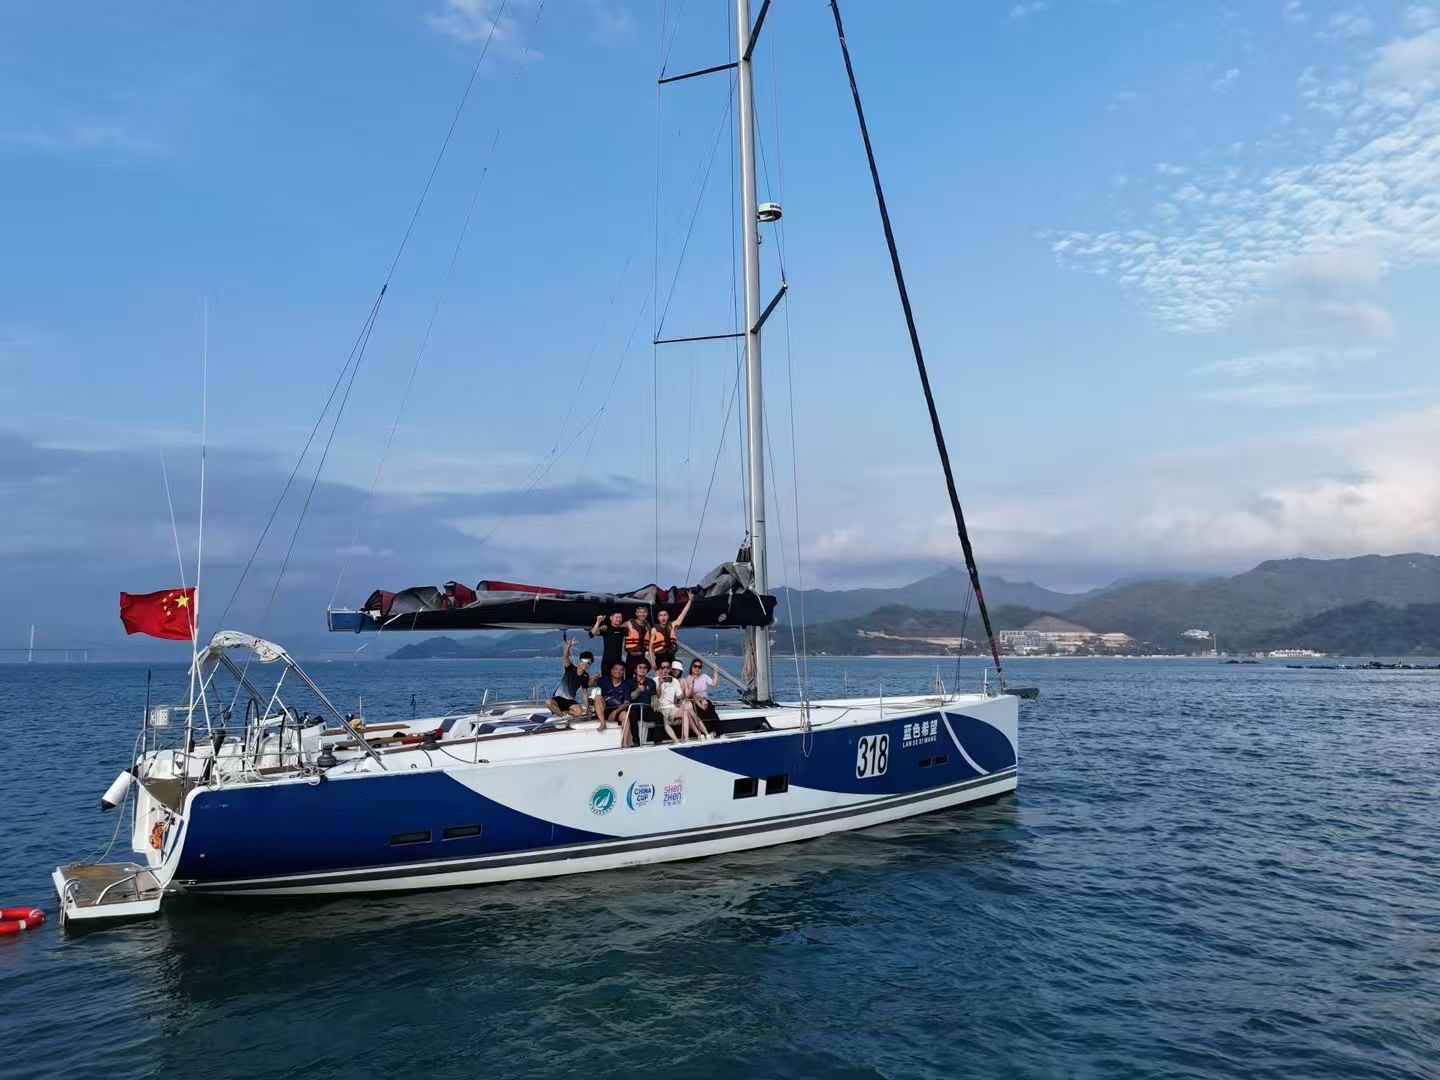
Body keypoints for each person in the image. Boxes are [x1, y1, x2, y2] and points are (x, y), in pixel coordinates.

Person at [657, 660, 707, 741]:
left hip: (682, 702)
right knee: (688, 712)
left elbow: (686, 695)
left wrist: (690, 687)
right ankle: (698, 734)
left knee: (691, 712)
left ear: (680, 671)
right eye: (674, 669)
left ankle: (705, 733)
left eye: (677, 670)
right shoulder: (667, 679)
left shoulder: (682, 680)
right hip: (674, 704)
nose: (675, 671)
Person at [546, 637, 594, 718]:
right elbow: (565, 657)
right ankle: (562, 716)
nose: (585, 664)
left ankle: (565, 712)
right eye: (583, 661)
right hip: (558, 697)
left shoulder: (586, 676)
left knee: (579, 711)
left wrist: (588, 708)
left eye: (588, 663)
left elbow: (584, 692)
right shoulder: (570, 668)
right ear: (579, 660)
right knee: (548, 702)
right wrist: (568, 646)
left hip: (570, 700)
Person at [616, 659, 657, 748]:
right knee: (632, 715)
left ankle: (658, 741)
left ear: (647, 670)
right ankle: (636, 741)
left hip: (646, 709)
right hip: (634, 708)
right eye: (640, 667)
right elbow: (629, 698)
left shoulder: (651, 682)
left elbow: (654, 695)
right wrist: (638, 690)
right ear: (635, 670)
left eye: (644, 668)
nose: (642, 669)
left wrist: (655, 705)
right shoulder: (629, 682)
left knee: (659, 716)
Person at [652, 592, 694, 670]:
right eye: (661, 615)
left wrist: (690, 601)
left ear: (668, 617)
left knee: (671, 675)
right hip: (659, 658)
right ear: (658, 618)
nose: (663, 617)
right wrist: (652, 662)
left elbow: (683, 614)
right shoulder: (654, 630)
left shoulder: (673, 626)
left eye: (665, 615)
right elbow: (650, 647)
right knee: (660, 675)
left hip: (671, 657)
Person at [622, 605, 663, 675]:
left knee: (642, 674)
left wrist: (652, 660)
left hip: (642, 656)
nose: (642, 614)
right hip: (631, 655)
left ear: (647, 614)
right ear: (636, 613)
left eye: (644, 612)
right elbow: (617, 627)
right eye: (640, 612)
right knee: (629, 676)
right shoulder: (629, 623)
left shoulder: (647, 625)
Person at [594, 660, 629, 734]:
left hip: (617, 710)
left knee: (625, 715)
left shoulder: (626, 685)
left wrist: (615, 712)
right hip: (604, 710)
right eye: (616, 669)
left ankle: (625, 740)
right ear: (612, 671)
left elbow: (626, 703)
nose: (618, 671)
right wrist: (594, 678)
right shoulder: (604, 680)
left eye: (621, 670)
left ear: (623, 672)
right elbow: (589, 684)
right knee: (597, 697)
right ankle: (603, 724)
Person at [682, 657, 721, 722]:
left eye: (699, 667)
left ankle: (717, 727)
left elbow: (713, 684)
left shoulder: (704, 676)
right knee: (703, 715)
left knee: (713, 714)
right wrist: (701, 700)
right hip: (695, 702)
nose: (697, 668)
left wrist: (716, 671)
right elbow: (691, 694)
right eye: (695, 666)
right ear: (691, 667)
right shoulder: (688, 679)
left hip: (705, 700)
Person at [589, 610, 626, 675]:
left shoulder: (623, 629)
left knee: (618, 680)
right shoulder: (606, 628)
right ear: (611, 618)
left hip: (618, 662)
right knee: (606, 680)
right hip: (606, 661)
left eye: (620, 617)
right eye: (616, 617)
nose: (618, 619)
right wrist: (598, 622)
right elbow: (592, 634)